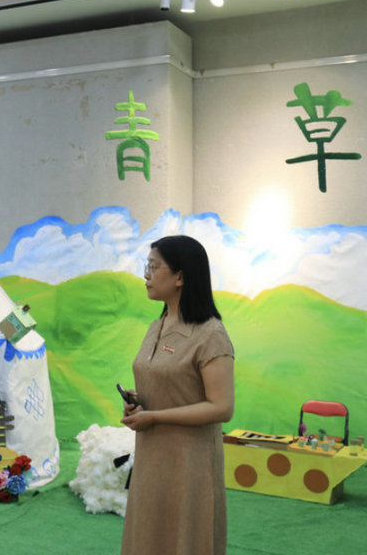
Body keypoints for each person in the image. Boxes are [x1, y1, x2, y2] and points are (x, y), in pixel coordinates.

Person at [121, 235, 235, 555]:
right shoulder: (156, 326)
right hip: (150, 454)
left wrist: (155, 416)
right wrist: (138, 402)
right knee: (149, 532)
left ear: (180, 276)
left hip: (190, 461)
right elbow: (166, 383)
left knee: (185, 536)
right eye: (147, 266)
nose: (146, 274)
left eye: (154, 267)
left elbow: (222, 407)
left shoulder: (210, 334)